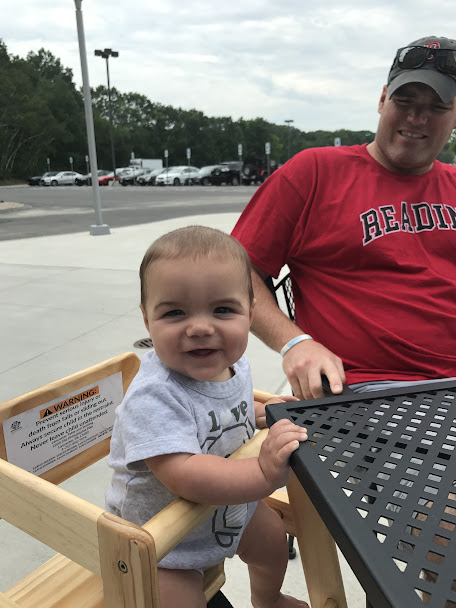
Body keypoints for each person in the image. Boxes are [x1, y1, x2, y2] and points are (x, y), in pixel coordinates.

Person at [232, 35, 456, 400]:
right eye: (404, 101)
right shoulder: (313, 172)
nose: (417, 118)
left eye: (438, 106)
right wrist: (294, 342)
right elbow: (233, 271)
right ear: (382, 100)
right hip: (362, 391)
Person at [105, 225, 308, 608]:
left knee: (271, 539)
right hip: (161, 540)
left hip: (227, 506)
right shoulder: (154, 396)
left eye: (223, 310)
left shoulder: (233, 366)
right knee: (179, 599)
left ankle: (268, 598)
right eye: (175, 312)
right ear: (147, 320)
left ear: (250, 312)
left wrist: (259, 413)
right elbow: (184, 474)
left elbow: (223, 407)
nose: (200, 327)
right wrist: (263, 473)